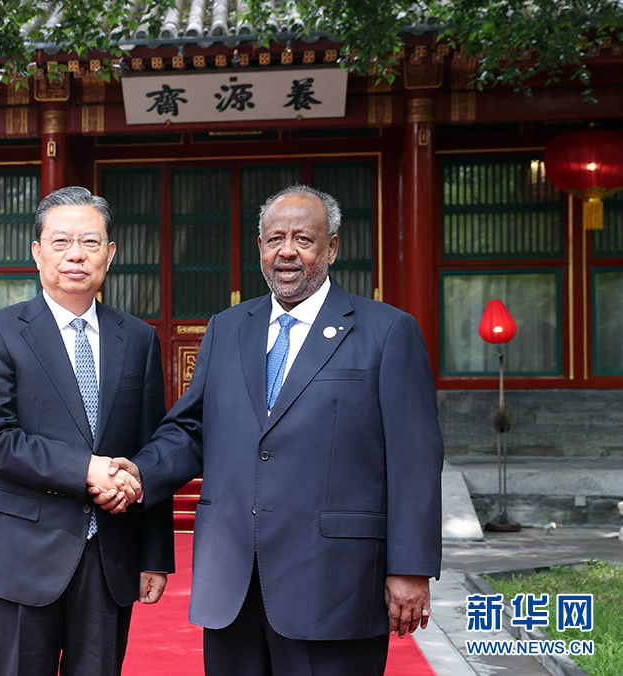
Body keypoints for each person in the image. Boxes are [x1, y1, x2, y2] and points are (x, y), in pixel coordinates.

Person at [95, 184, 443, 676]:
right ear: (260, 247)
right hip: (233, 578)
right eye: (275, 238)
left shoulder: (387, 331)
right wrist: (137, 474)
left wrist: (410, 567)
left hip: (334, 582)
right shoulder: (227, 327)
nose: (287, 251)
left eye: (303, 239)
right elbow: (192, 429)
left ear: (331, 248)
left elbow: (415, 458)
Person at [0, 186, 174, 676]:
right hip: (21, 555)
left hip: (109, 557)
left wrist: (155, 554)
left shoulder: (137, 337)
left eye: (90, 242)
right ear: (38, 252)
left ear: (110, 254)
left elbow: (151, 448)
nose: (76, 254)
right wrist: (87, 469)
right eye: (61, 242)